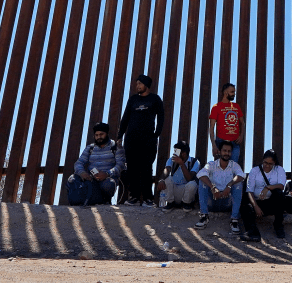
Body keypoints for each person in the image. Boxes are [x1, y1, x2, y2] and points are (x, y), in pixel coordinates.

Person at [117, 74, 165, 207]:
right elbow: (125, 117)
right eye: (136, 83)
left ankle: (148, 199)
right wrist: (120, 135)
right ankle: (134, 197)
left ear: (146, 85)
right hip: (131, 139)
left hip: (147, 139)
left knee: (146, 168)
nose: (137, 86)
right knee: (132, 168)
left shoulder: (155, 99)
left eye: (140, 83)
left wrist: (156, 134)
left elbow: (161, 117)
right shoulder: (133, 99)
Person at [66, 122, 126, 205]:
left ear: (107, 134)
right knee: (72, 179)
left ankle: (105, 201)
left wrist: (107, 174)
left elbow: (120, 165)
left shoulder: (115, 147)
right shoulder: (90, 148)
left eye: (101, 134)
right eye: (96, 135)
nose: (99, 137)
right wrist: (82, 173)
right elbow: (79, 163)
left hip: (107, 178)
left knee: (109, 184)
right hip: (91, 178)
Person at [195, 140, 246, 234]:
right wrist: (213, 187)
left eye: (229, 151)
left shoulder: (234, 165)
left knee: (238, 184)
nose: (227, 153)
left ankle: (234, 220)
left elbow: (241, 175)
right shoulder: (211, 164)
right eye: (224, 150)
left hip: (227, 202)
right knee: (203, 181)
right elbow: (201, 174)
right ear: (219, 151)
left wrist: (229, 185)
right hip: (212, 201)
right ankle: (204, 216)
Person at [240, 149, 288, 241]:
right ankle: (253, 233)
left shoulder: (279, 169)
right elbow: (249, 191)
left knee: (279, 194)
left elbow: (281, 186)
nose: (267, 165)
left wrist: (268, 187)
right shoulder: (254, 171)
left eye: (270, 164)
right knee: (244, 206)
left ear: (274, 163)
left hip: (271, 203)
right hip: (257, 202)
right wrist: (256, 206)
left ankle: (278, 226)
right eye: (265, 162)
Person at [209, 82, 244, 164]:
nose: (234, 94)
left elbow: (242, 123)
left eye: (234, 92)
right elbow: (211, 128)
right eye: (232, 92)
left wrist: (241, 135)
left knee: (233, 167)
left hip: (235, 143)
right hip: (220, 142)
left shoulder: (236, 106)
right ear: (225, 92)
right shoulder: (216, 107)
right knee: (220, 166)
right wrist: (214, 145)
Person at [160, 140, 200, 210]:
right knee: (168, 179)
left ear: (184, 154)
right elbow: (167, 170)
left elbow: (189, 178)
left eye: (176, 151)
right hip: (173, 191)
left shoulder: (195, 162)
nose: (174, 153)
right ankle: (170, 203)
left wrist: (182, 164)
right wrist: (162, 179)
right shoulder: (171, 160)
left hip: (186, 192)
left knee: (193, 184)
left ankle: (186, 204)